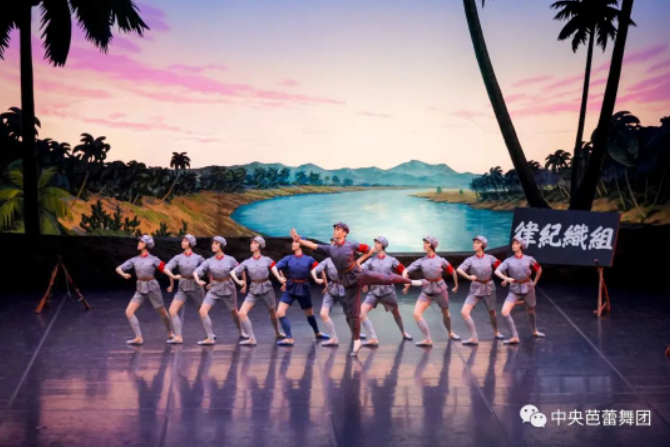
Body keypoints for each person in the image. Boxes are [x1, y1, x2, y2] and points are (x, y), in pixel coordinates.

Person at [290, 223, 423, 355]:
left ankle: (412, 282)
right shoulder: (330, 248)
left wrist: (358, 262)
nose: (335, 231)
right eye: (334, 229)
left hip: (359, 275)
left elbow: (368, 249)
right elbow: (313, 245)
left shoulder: (351, 244)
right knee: (353, 314)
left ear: (344, 233)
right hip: (348, 284)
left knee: (386, 278)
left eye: (338, 229)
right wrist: (299, 240)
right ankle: (357, 341)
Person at [402, 236, 460, 347]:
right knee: (416, 313)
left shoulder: (441, 260)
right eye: (424, 242)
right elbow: (406, 270)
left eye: (427, 242)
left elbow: (452, 271)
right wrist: (405, 281)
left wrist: (456, 285)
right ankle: (427, 339)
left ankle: (450, 332)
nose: (424, 244)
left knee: (446, 313)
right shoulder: (422, 261)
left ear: (432, 245)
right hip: (427, 289)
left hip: (440, 289)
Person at [116, 235, 173, 345]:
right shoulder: (134, 260)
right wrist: (123, 274)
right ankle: (138, 337)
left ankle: (170, 333)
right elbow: (118, 268)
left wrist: (172, 283)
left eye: (141, 242)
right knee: (129, 311)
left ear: (146, 245)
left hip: (152, 287)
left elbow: (166, 270)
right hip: (140, 288)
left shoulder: (154, 259)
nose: (139, 243)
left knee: (162, 312)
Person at [231, 236, 286, 345]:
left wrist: (281, 279)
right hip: (254, 289)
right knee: (242, 313)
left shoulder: (266, 260)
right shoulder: (247, 262)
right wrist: (239, 281)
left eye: (255, 243)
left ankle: (277, 332)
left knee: (272, 311)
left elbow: (275, 268)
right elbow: (233, 272)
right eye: (251, 243)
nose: (252, 245)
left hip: (266, 288)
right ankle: (252, 338)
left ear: (260, 245)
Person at [359, 236, 413, 347]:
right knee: (361, 313)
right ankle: (373, 338)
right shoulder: (371, 260)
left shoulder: (391, 260)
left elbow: (403, 270)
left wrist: (406, 282)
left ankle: (403, 332)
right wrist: (364, 283)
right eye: (375, 242)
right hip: (374, 292)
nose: (375, 244)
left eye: (378, 243)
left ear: (383, 245)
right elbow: (362, 270)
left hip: (388, 292)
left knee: (396, 313)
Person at [193, 236, 247, 345]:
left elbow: (241, 269)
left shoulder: (230, 259)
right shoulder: (209, 261)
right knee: (202, 311)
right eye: (213, 243)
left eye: (216, 243)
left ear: (221, 245)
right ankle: (210, 337)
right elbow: (197, 272)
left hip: (228, 287)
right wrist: (198, 281)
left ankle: (241, 331)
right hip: (215, 287)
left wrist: (244, 284)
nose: (213, 245)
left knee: (234, 311)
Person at [275, 240, 330, 346]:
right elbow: (276, 267)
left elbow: (320, 269)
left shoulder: (308, 259)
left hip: (303, 288)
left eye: (295, 242)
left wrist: (325, 284)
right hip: (291, 287)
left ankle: (317, 332)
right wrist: (282, 279)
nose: (292, 244)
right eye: (293, 242)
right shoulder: (288, 258)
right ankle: (289, 338)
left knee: (309, 313)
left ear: (300, 245)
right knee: (280, 312)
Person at [494, 237, 545, 344]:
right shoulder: (508, 260)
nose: (514, 245)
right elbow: (497, 271)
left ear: (521, 245)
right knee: (504, 311)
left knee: (531, 310)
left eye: (516, 243)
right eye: (513, 243)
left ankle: (534, 330)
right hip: (514, 288)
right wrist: (506, 279)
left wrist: (534, 282)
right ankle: (515, 336)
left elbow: (539, 269)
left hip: (528, 287)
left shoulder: (529, 259)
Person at [456, 235, 505, 345]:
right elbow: (459, 269)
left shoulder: (490, 258)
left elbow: (501, 266)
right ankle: (474, 337)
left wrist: (505, 278)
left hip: (489, 287)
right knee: (464, 312)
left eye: (478, 242)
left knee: (492, 311)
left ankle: (496, 331)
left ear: (483, 245)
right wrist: (469, 277)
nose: (475, 244)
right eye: (474, 242)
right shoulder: (470, 260)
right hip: (476, 288)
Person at [162, 234, 205, 344]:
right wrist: (173, 276)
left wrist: (206, 280)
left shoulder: (198, 258)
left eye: (185, 241)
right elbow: (166, 268)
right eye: (182, 240)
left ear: (190, 243)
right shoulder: (178, 257)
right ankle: (178, 336)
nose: (182, 242)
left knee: (203, 311)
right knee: (172, 310)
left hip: (195, 286)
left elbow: (207, 268)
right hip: (183, 286)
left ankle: (209, 335)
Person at [311, 243, 346, 347]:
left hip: (345, 289)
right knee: (323, 313)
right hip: (331, 289)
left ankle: (356, 334)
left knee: (350, 315)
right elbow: (314, 270)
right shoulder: (327, 260)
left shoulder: (346, 259)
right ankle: (334, 338)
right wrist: (316, 278)